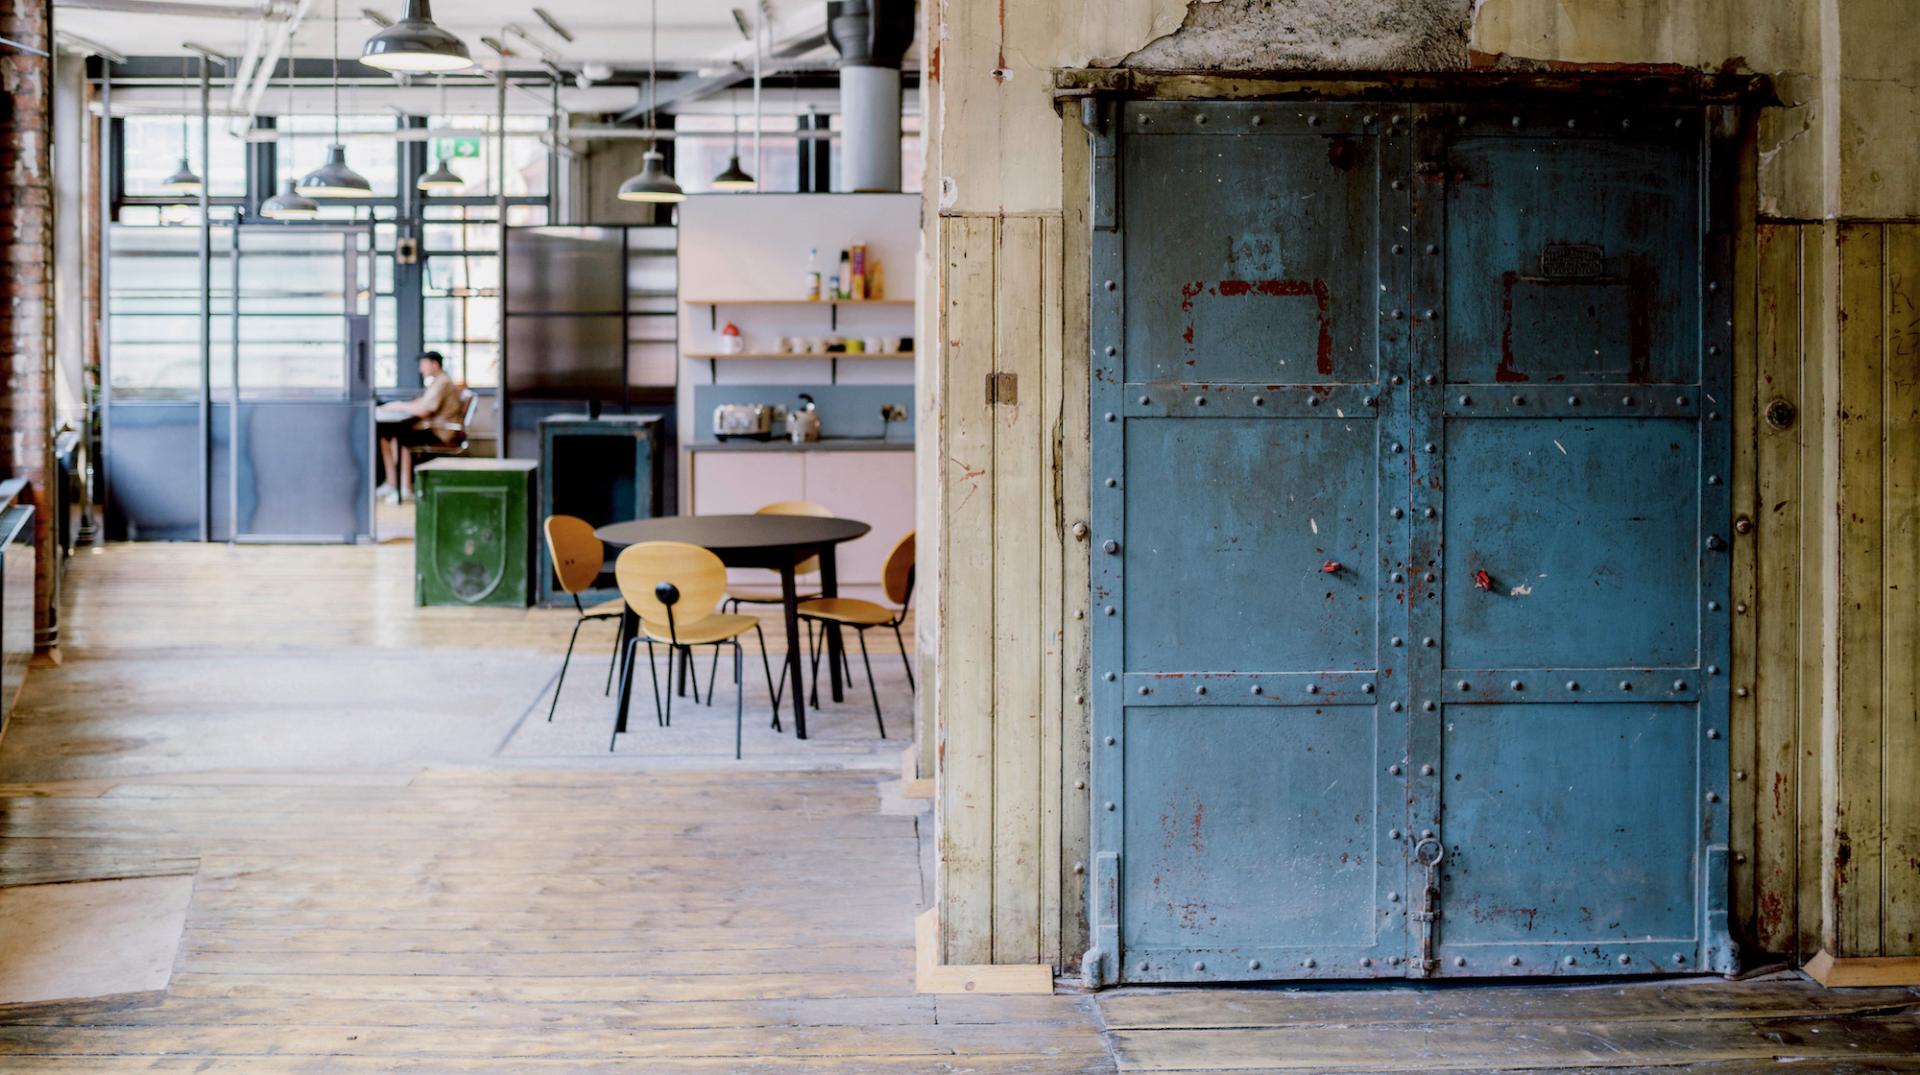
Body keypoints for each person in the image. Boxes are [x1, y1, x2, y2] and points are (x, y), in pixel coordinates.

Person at [376, 351, 467, 502]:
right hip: (436, 428)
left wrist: (398, 406)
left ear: (435, 365)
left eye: (423, 365)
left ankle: (404, 488)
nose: (421, 369)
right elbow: (422, 403)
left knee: (400, 438)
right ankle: (391, 483)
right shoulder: (438, 381)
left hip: (442, 432)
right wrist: (399, 406)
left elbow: (424, 410)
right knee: (385, 435)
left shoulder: (443, 383)